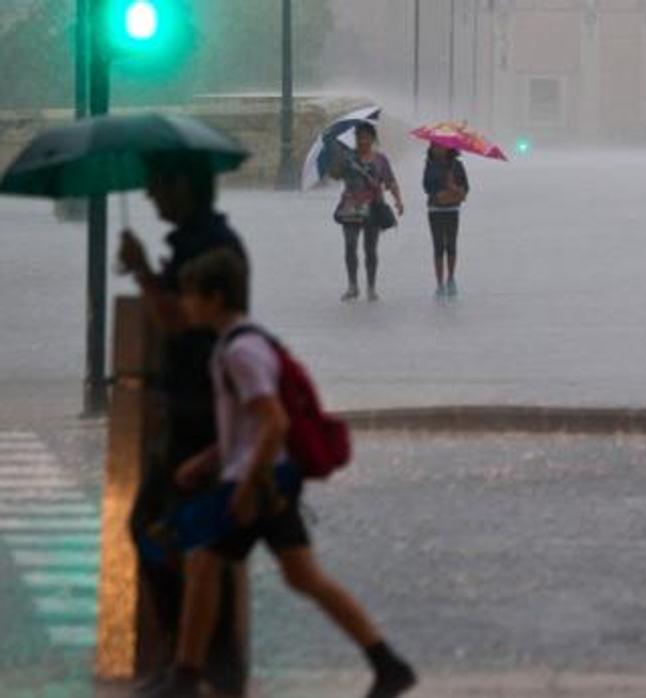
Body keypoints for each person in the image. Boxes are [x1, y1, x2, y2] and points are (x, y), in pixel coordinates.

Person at [145, 249, 417, 698]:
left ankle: (184, 678)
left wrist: (246, 485)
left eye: (192, 295)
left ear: (215, 297)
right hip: (269, 475)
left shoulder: (240, 351)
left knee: (202, 562)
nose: (186, 305)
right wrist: (211, 459)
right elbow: (252, 423)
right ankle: (387, 663)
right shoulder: (243, 343)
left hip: (260, 479)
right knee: (298, 576)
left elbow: (274, 422)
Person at [117, 152, 251, 697]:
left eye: (157, 185)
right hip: (190, 409)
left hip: (203, 416)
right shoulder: (201, 241)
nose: (150, 197)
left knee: (159, 529)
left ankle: (192, 665)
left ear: (183, 185)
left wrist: (143, 268)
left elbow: (176, 319)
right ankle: (202, 663)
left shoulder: (207, 249)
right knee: (184, 538)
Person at [331, 122, 404, 302]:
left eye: (366, 137)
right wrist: (338, 162)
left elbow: (390, 181)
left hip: (373, 207)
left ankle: (371, 287)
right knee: (350, 245)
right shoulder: (348, 157)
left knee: (370, 249)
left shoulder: (380, 160)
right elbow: (334, 175)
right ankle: (352, 286)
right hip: (350, 206)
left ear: (373, 139)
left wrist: (398, 200)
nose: (362, 141)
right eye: (359, 137)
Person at [422, 145, 469, 299]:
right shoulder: (430, 164)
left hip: (452, 209)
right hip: (435, 209)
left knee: (451, 245)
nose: (437, 149)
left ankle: (451, 279)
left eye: (440, 146)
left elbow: (466, 187)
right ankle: (439, 284)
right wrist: (440, 187)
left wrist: (453, 187)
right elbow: (426, 186)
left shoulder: (457, 165)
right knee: (438, 246)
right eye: (434, 146)